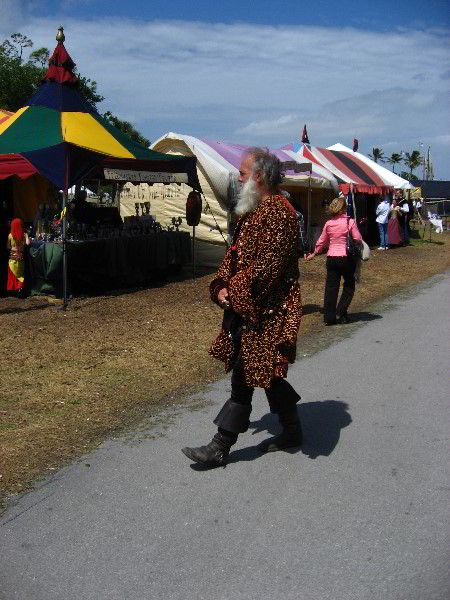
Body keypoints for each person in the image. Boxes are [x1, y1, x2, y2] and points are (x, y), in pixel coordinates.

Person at [181, 148, 303, 467]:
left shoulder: (279, 212)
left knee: (245, 373)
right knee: (265, 372)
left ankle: (221, 444)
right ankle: (292, 430)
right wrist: (220, 285)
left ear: (259, 177)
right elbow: (234, 255)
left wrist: (233, 292)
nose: (238, 177)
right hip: (248, 307)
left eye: (243, 172)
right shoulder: (253, 210)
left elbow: (267, 268)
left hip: (269, 311)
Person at [304, 196, 362, 325]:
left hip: (331, 258)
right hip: (346, 257)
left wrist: (314, 253)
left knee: (331, 287)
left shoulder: (328, 223)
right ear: (344, 208)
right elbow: (357, 238)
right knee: (349, 285)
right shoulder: (349, 222)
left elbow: (322, 241)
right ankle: (341, 311)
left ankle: (329, 317)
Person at [7, 218, 30, 296]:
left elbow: (7, 246)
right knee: (20, 273)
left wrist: (13, 248)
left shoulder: (10, 235)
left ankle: (12, 289)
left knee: (12, 272)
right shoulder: (24, 234)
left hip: (12, 257)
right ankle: (20, 288)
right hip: (20, 257)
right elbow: (28, 243)